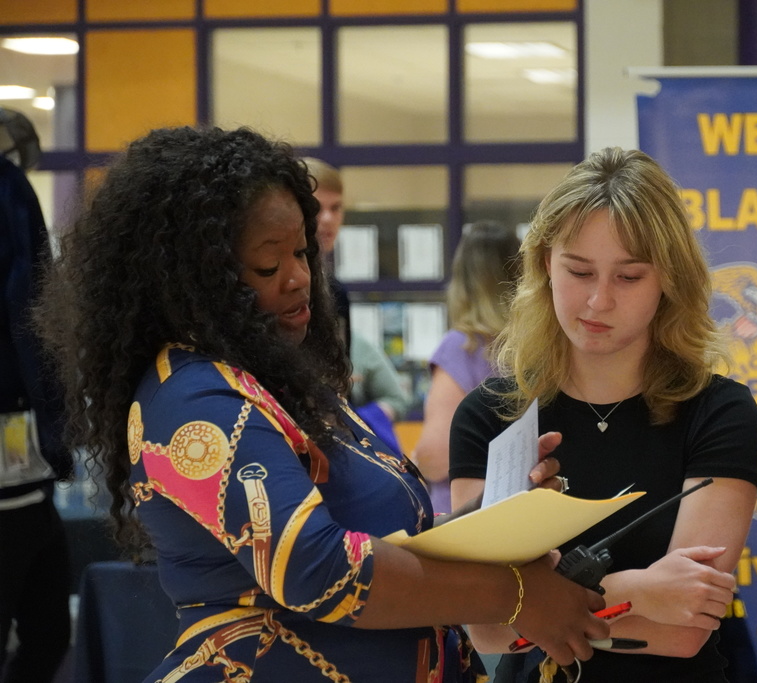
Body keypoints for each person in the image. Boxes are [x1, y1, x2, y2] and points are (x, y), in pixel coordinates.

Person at [34, 125, 610, 682]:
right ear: (194, 277)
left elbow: (381, 537)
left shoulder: (281, 383)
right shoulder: (193, 395)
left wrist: (496, 516)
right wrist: (516, 596)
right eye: (268, 265)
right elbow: (316, 568)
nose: (298, 279)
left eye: (304, 254)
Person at [449, 147, 757, 682]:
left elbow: (684, 627)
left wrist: (540, 604)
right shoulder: (491, 415)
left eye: (628, 277)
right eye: (579, 271)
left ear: (668, 281)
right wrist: (637, 591)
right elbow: (489, 629)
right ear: (545, 263)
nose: (597, 301)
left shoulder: (720, 413)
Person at [0, 105, 73, 683]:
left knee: (50, 635)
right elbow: (28, 315)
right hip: (17, 475)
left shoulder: (12, 191)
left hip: (29, 476)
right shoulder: (9, 190)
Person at [303, 156, 411, 451]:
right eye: (316, 207)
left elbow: (339, 383)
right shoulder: (273, 286)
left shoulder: (335, 293)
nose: (327, 219)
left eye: (335, 208)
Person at [413, 220, 521, 513]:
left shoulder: (462, 347)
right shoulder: (535, 347)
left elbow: (436, 457)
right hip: (519, 511)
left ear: (462, 280)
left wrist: (414, 460)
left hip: (463, 515)